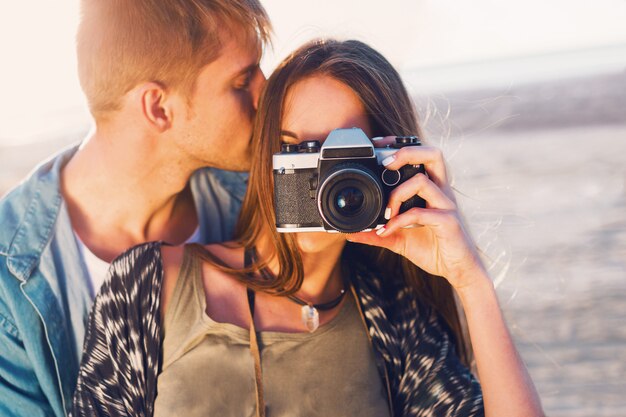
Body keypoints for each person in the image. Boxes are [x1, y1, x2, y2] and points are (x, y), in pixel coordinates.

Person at [71, 39, 545, 417]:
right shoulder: (153, 282)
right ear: (265, 156)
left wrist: (471, 281)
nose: (327, 181)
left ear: (390, 167)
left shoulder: (395, 316)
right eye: (302, 150)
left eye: (347, 157)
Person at [0, 1, 270, 416]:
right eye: (242, 81)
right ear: (158, 108)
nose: (266, 94)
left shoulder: (259, 198)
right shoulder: (10, 278)